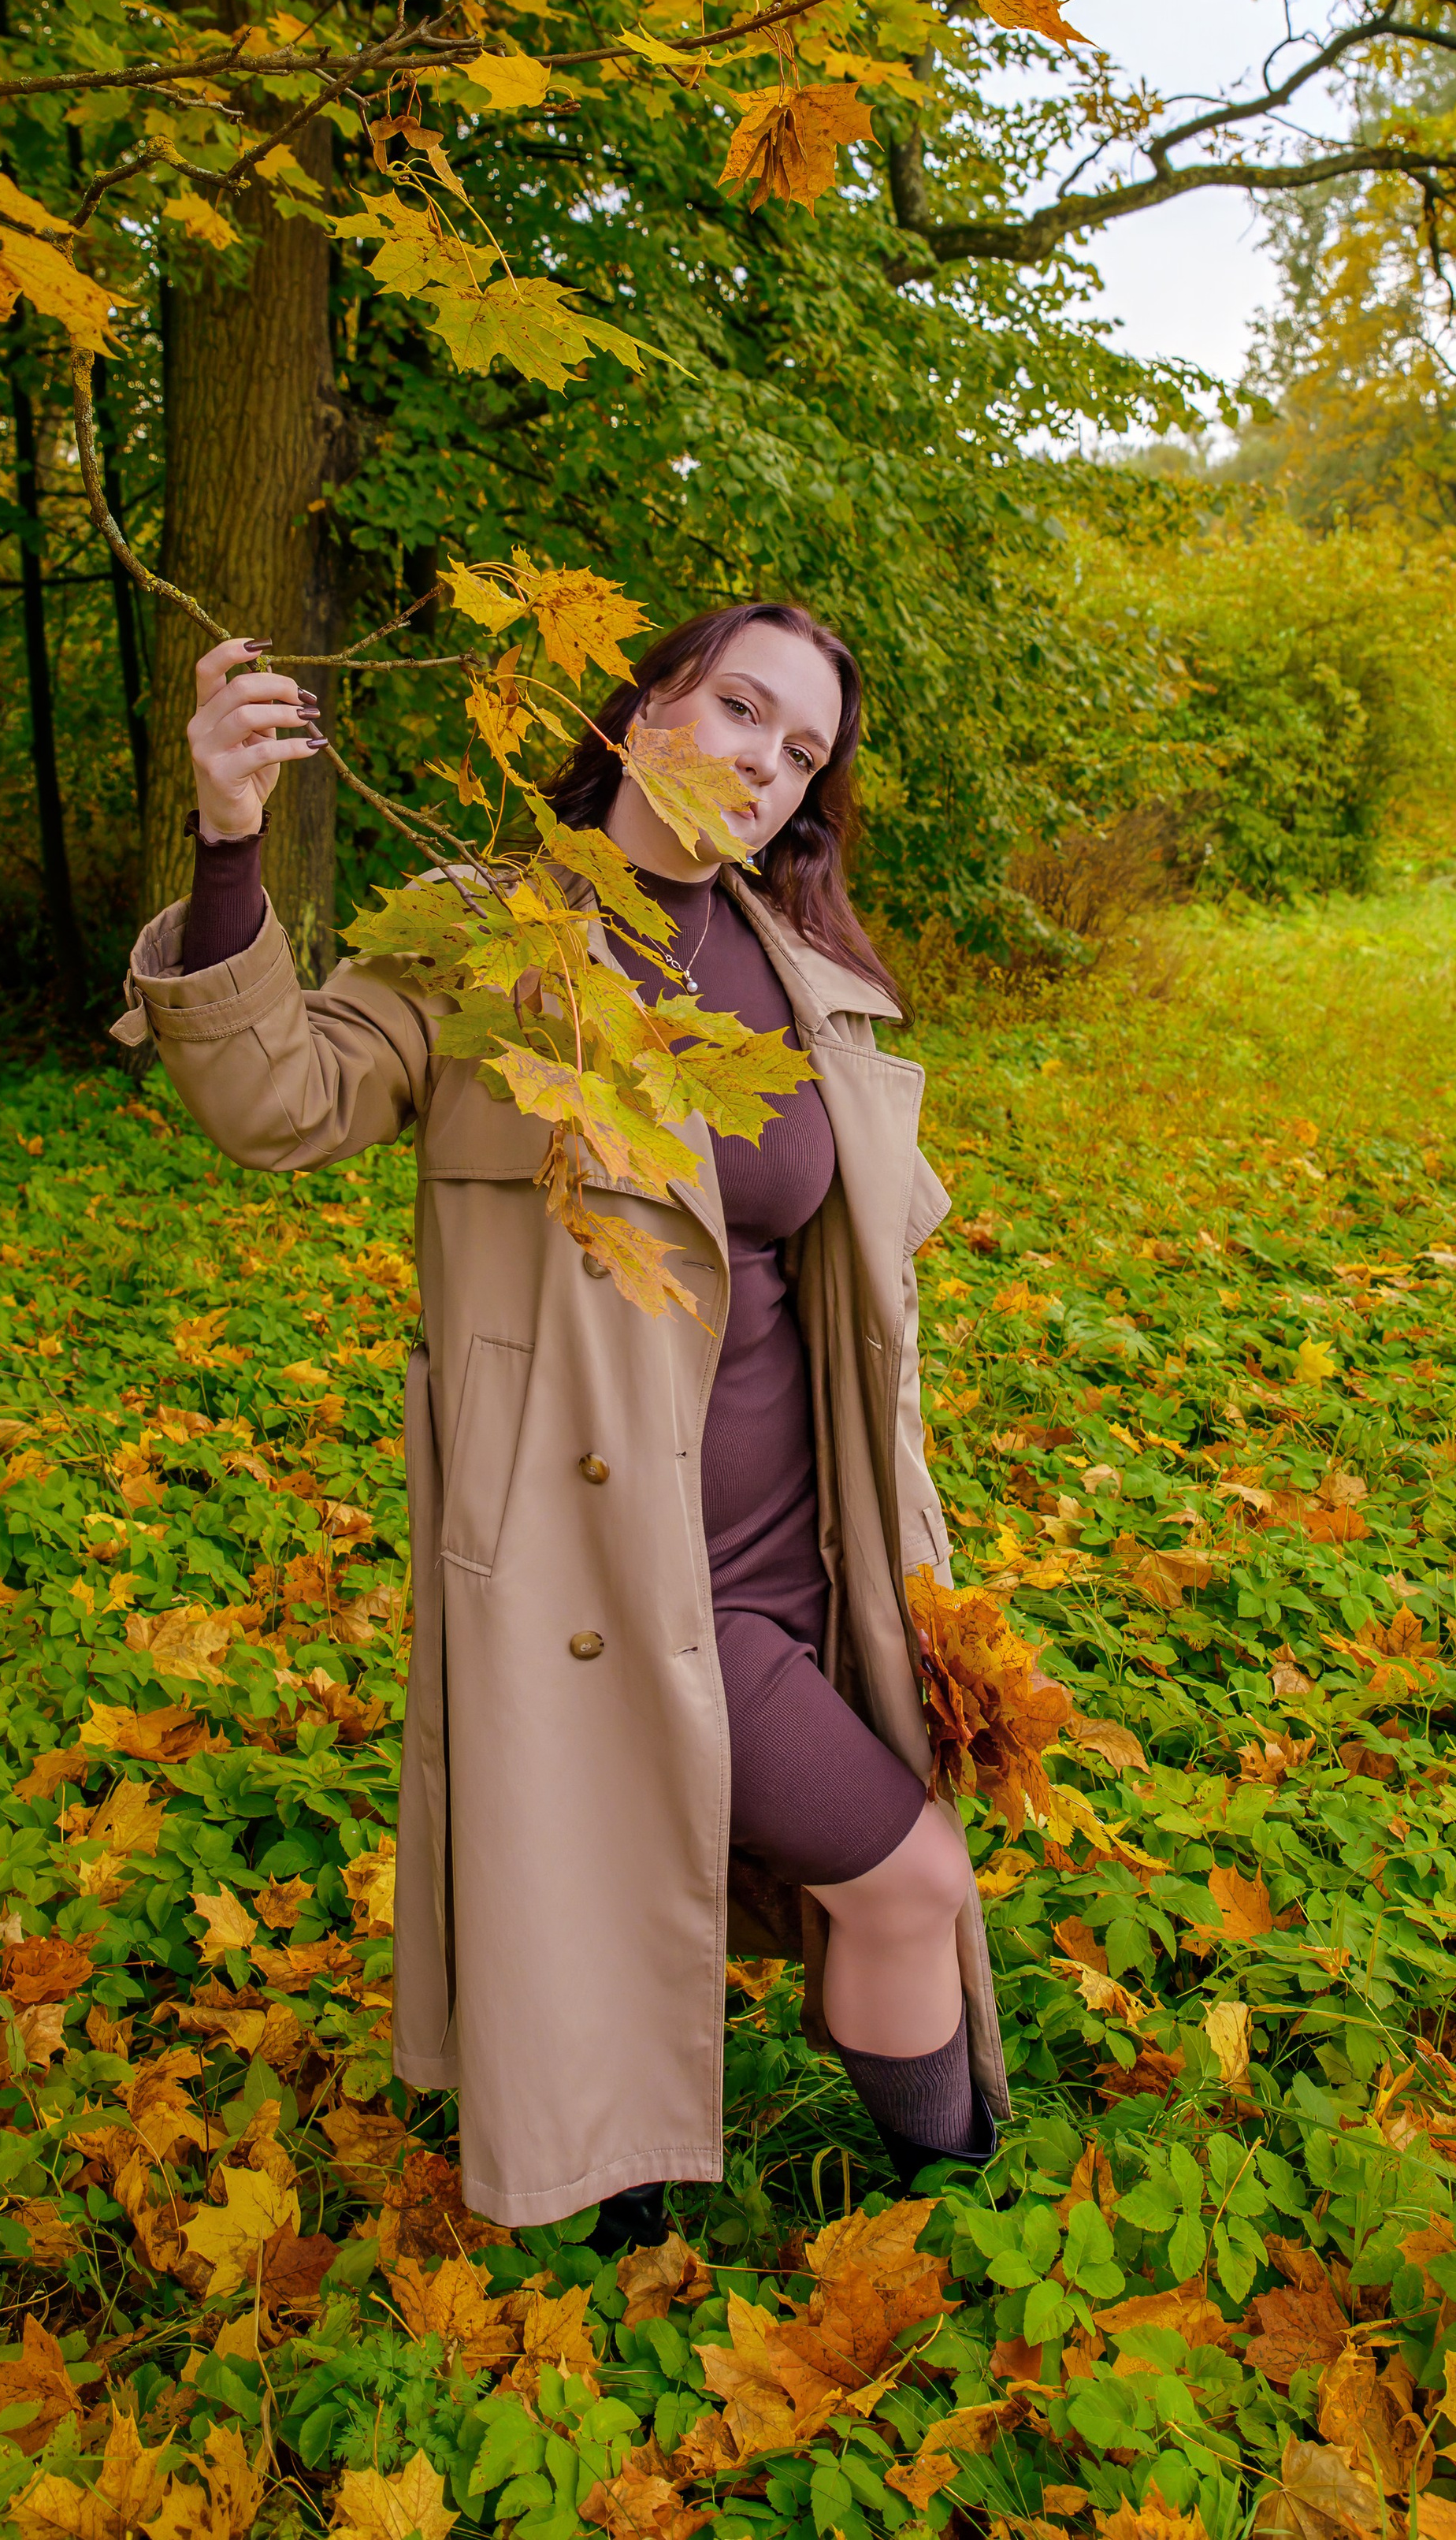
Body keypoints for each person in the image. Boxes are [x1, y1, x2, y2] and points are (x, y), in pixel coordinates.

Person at [113, 600, 1008, 2240]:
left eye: (799, 750)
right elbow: (279, 1098)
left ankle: (690, 2207)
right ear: (647, 697)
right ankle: (954, 2221)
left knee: (754, 1874)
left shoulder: (798, 971)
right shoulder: (486, 938)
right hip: (619, 1567)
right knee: (904, 1878)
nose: (761, 764)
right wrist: (229, 844)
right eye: (740, 709)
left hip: (814, 1553)